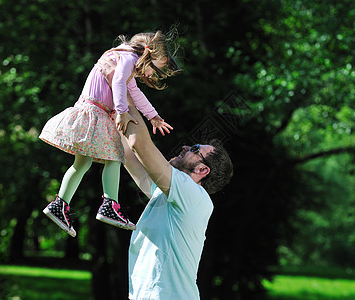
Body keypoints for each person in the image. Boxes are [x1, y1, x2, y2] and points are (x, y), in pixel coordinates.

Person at [39, 31, 180, 237]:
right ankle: (109, 205)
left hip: (90, 111)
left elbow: (135, 92)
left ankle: (59, 204)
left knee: (82, 164)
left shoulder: (122, 59)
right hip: (96, 113)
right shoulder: (128, 58)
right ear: (147, 55)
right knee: (114, 157)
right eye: (153, 69)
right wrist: (122, 112)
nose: (150, 75)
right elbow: (119, 83)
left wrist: (153, 116)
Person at [121, 95, 234, 299]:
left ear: (202, 169)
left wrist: (125, 94)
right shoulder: (169, 195)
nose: (185, 147)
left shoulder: (194, 196)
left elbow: (139, 144)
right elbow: (127, 152)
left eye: (195, 150)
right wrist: (108, 103)